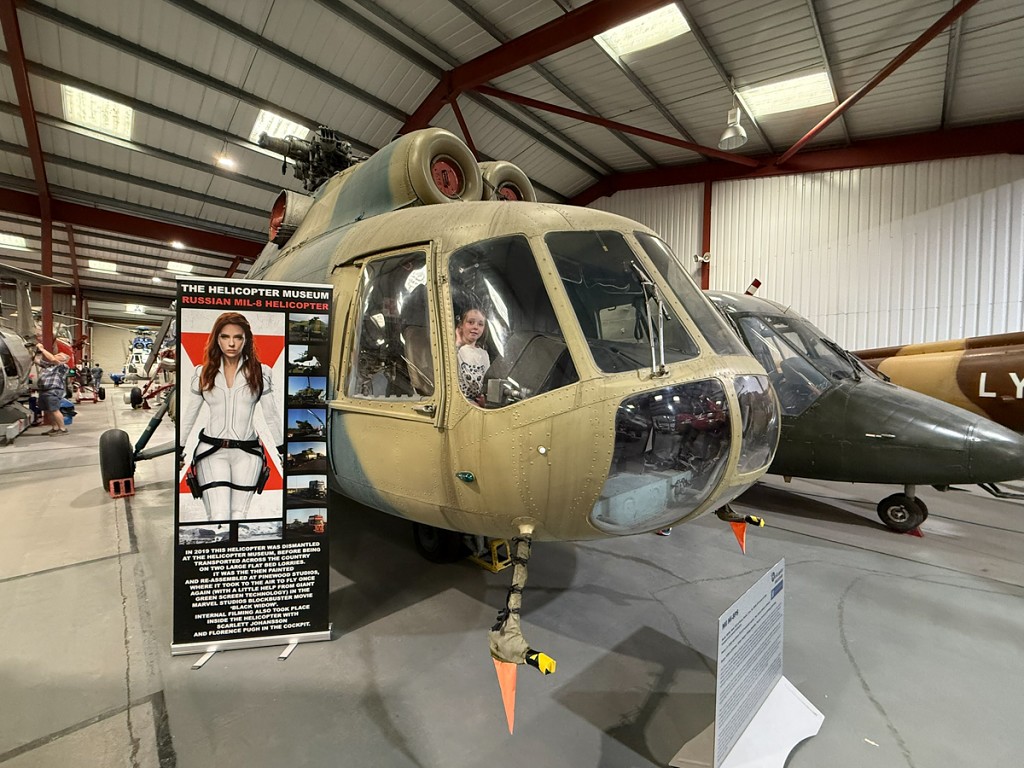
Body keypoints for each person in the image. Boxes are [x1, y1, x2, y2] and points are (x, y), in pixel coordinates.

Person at [178, 312, 284, 520]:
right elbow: (190, 414)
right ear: (216, 339)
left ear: (246, 340)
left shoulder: (262, 372)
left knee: (238, 517)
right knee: (218, 516)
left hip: (248, 453)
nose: (232, 343)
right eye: (225, 337)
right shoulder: (201, 373)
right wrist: (179, 450)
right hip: (211, 451)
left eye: (238, 337)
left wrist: (283, 451)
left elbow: (271, 415)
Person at [455, 308, 490, 405]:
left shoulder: (484, 354)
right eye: (470, 322)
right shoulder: (457, 350)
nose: (475, 327)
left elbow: (487, 381)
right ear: (461, 325)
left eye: (480, 324)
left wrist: (485, 399)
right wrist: (458, 342)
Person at [35, 344, 71, 435]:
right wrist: (34, 351)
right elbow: (35, 360)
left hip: (53, 390)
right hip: (44, 390)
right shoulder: (49, 366)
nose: (56, 355)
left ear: (63, 360)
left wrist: (42, 349)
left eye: (59, 355)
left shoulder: (63, 366)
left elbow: (52, 359)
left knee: (54, 409)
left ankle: (62, 429)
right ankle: (55, 428)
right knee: (48, 410)